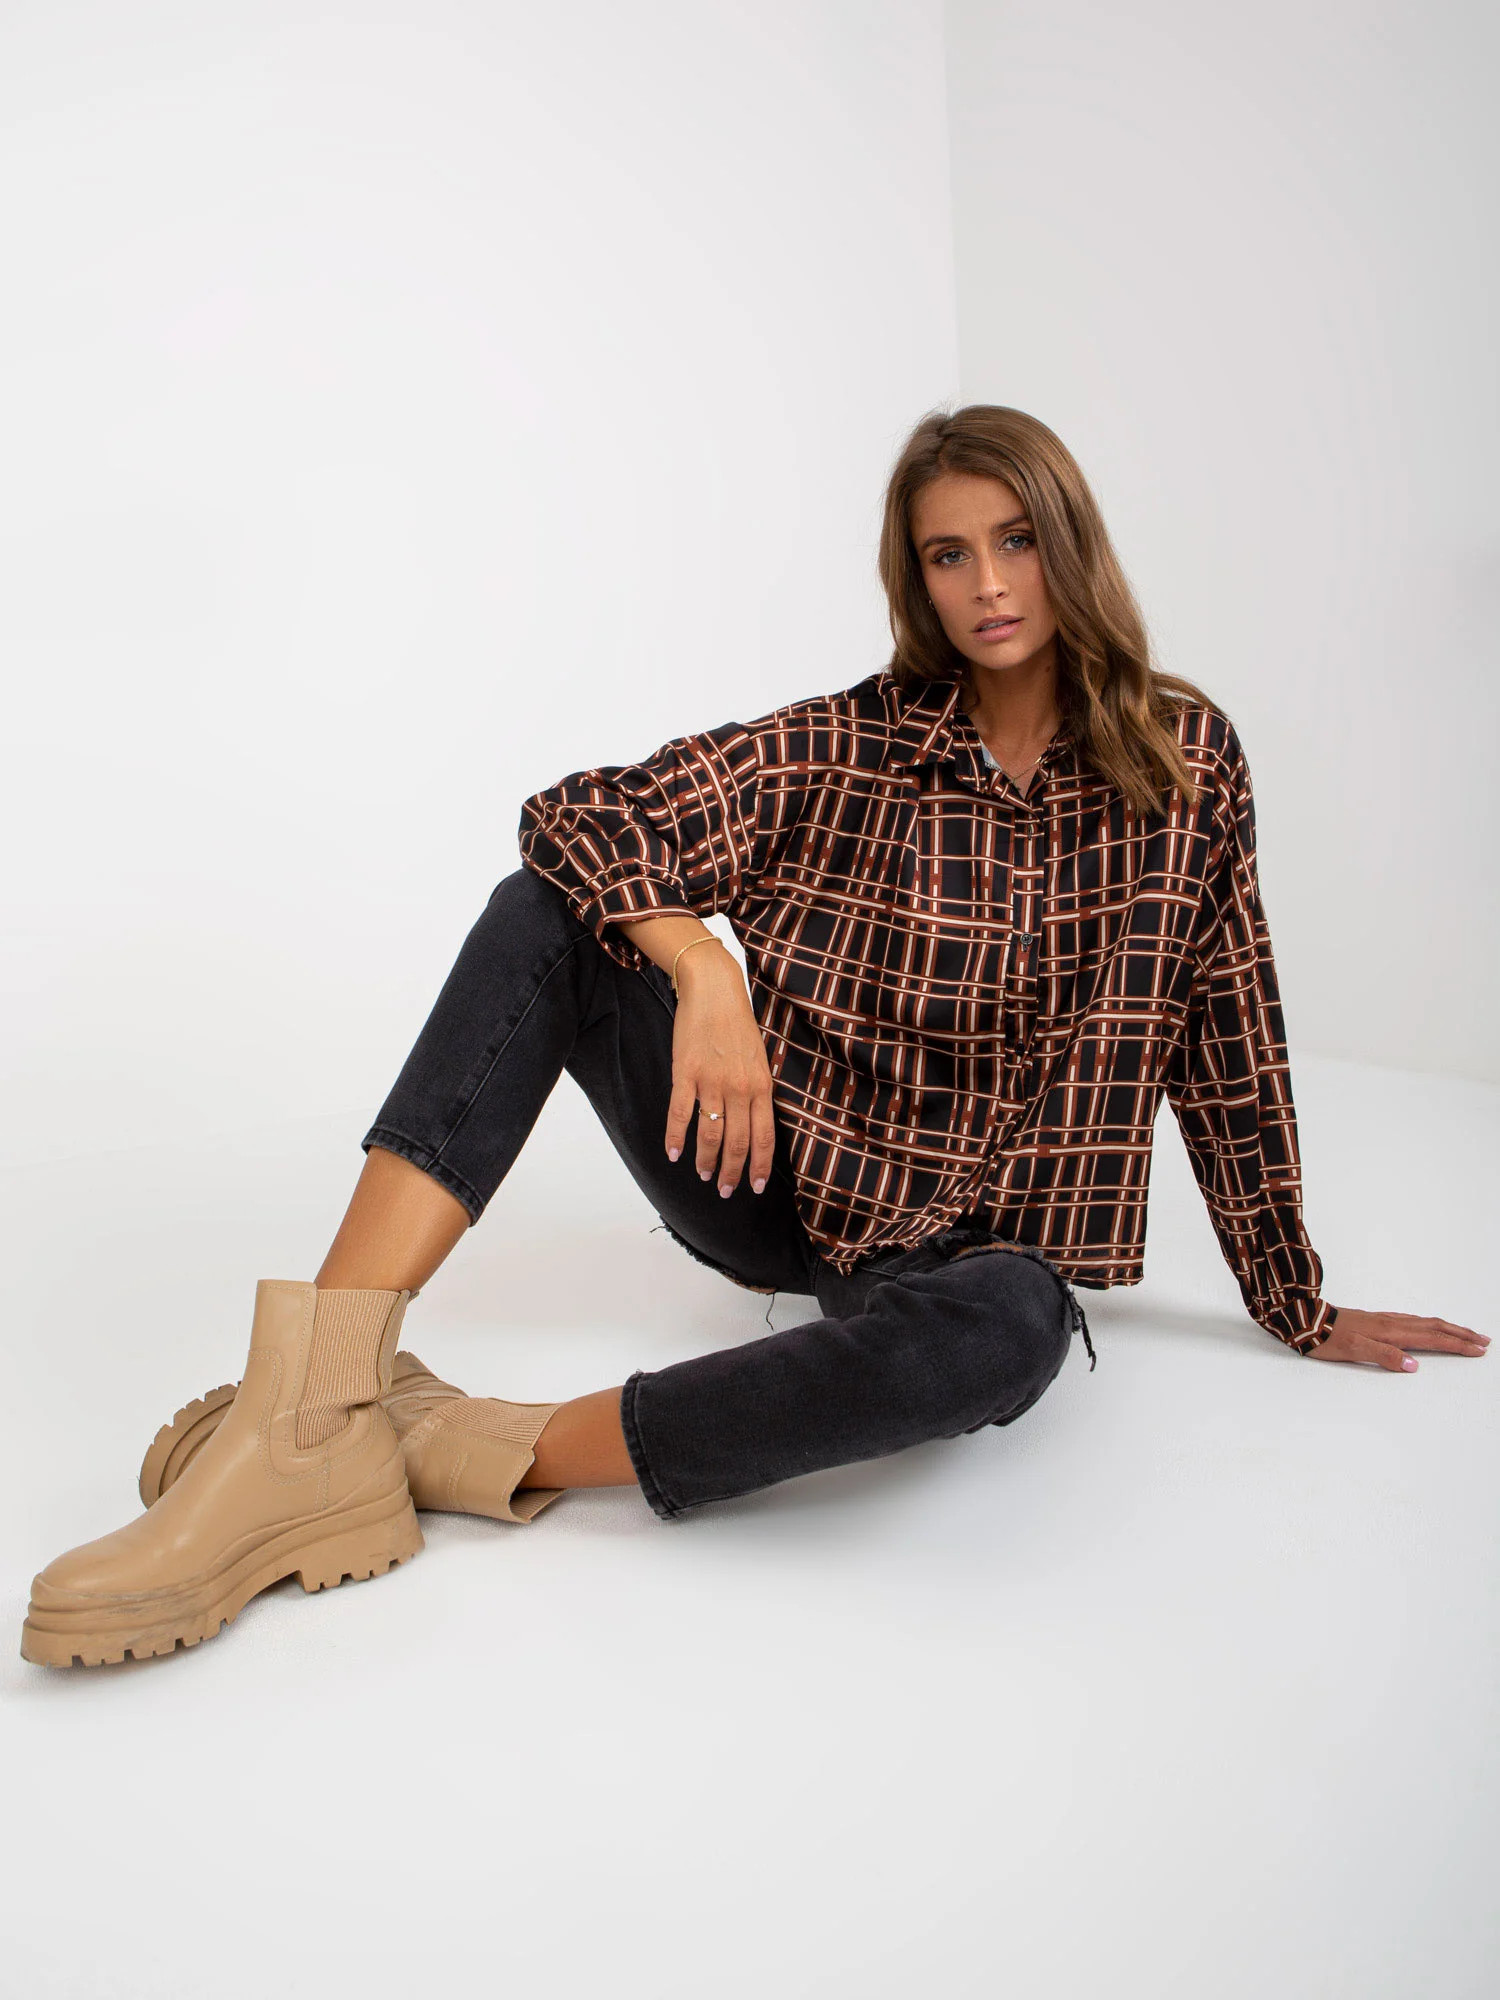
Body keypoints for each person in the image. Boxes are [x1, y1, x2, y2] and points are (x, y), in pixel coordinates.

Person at [21, 403, 1487, 1670]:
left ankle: (451, 1444)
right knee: (548, 914)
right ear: (914, 577)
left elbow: (1231, 1031)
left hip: (978, 1253)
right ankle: (313, 1398)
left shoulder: (1186, 761)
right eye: (948, 554)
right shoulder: (858, 741)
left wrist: (1292, 1297)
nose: (988, 585)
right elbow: (578, 816)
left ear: (1071, 543)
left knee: (1010, 1336)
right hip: (778, 1178)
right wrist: (701, 966)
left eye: (1016, 540)